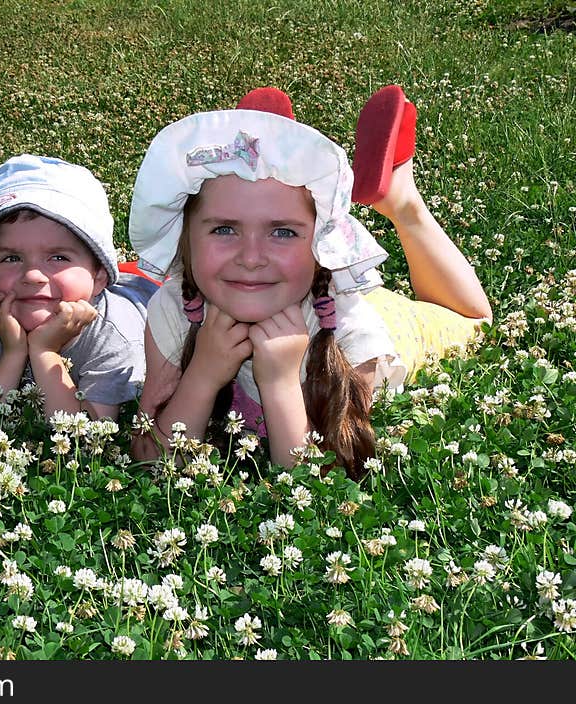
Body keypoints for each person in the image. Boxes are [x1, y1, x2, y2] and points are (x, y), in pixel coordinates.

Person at [128, 85, 492, 478]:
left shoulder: (351, 331)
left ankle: (403, 202)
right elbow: (149, 457)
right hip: (311, 288)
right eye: (224, 230)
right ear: (186, 239)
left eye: (282, 232)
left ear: (321, 243)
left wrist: (281, 380)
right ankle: (269, 139)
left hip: (389, 320)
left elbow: (329, 482)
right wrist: (202, 373)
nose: (251, 258)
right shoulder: (173, 309)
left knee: (474, 321)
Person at [0, 154, 158, 429]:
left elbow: (85, 438)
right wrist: (12, 353)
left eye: (59, 258)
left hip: (151, 293)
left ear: (99, 276)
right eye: (11, 258)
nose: (32, 275)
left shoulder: (114, 336)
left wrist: (44, 352)